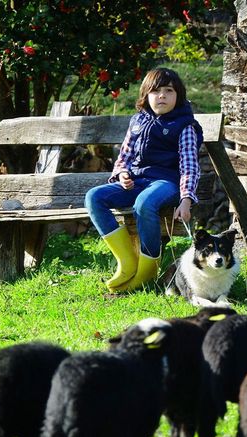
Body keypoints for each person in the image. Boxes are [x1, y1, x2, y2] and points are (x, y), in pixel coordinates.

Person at [84, 67, 204, 293]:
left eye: (169, 91)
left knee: (145, 203)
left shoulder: (184, 126)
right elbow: (124, 156)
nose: (162, 96)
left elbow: (189, 166)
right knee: (94, 197)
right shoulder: (138, 121)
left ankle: (148, 270)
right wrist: (122, 174)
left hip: (166, 183)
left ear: (178, 96)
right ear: (146, 95)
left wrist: (186, 199)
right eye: (155, 91)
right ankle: (127, 261)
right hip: (137, 181)